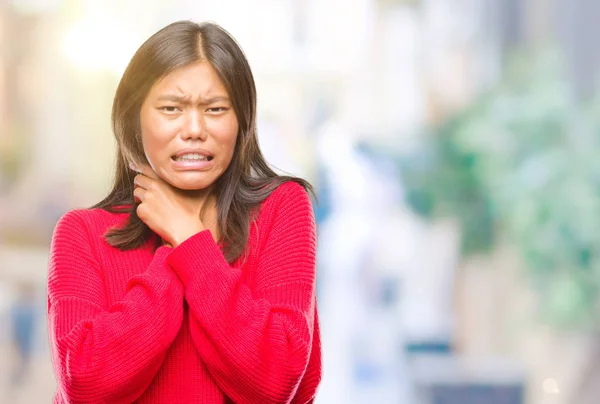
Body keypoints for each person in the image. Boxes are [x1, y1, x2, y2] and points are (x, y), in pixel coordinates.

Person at [47, 20, 321, 404]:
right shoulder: (83, 233)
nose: (194, 129)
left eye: (215, 108)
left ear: (241, 120)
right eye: (171, 108)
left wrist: (190, 239)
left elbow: (276, 383)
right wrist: (177, 254)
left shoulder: (281, 209)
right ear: (134, 118)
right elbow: (87, 385)